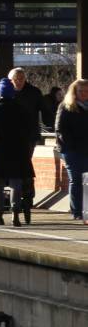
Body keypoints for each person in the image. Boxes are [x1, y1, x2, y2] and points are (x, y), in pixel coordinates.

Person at [0, 78, 37, 225]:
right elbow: (30, 128)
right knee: (16, 181)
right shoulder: (21, 109)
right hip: (18, 150)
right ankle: (15, 213)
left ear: (0, 92)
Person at [54, 79, 88, 222]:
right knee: (76, 180)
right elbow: (60, 129)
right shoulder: (66, 107)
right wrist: (71, 145)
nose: (84, 94)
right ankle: (77, 211)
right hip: (72, 150)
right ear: (74, 92)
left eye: (87, 91)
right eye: (81, 91)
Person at [6, 67, 43, 135]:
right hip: (11, 131)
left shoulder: (34, 92)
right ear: (10, 80)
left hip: (30, 131)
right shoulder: (6, 93)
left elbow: (44, 109)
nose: (19, 81)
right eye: (16, 79)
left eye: (22, 78)